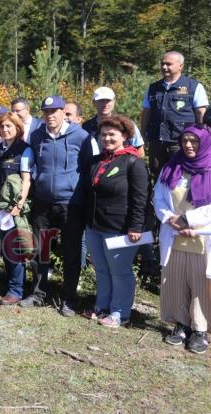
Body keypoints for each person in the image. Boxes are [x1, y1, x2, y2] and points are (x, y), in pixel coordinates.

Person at [21, 95, 94, 316]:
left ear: (64, 112)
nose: (50, 116)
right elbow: (31, 162)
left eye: (54, 111)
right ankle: (38, 293)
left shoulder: (81, 137)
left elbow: (89, 167)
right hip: (43, 202)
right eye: (46, 112)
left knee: (70, 252)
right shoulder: (36, 135)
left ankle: (69, 299)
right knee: (40, 251)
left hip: (71, 204)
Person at [82, 115, 148, 328]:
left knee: (120, 272)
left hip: (119, 228)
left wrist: (136, 226)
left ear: (125, 136)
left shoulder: (133, 162)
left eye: (112, 134)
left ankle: (120, 313)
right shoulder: (98, 161)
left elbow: (140, 199)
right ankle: (102, 307)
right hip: (94, 226)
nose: (107, 138)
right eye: (103, 134)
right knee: (101, 269)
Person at [154, 124, 211, 354]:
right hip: (174, 233)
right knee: (175, 280)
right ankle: (181, 324)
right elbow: (158, 196)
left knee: (201, 284)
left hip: (202, 236)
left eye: (194, 141)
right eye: (185, 140)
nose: (188, 145)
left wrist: (188, 220)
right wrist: (169, 218)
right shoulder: (172, 166)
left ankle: (200, 329)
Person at [141, 50, 208, 176]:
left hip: (181, 141)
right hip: (157, 141)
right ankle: (158, 196)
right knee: (157, 173)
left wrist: (201, 137)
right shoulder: (153, 88)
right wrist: (143, 134)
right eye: (162, 64)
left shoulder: (193, 86)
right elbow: (146, 112)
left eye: (168, 64)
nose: (164, 67)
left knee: (182, 175)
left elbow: (201, 113)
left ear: (180, 66)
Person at [0, 114, 34, 305]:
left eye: (9, 126)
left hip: (13, 209)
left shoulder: (24, 150)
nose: (5, 129)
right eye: (2, 126)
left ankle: (16, 290)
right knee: (6, 247)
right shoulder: (0, 148)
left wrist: (18, 205)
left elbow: (26, 180)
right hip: (0, 207)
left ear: (17, 127)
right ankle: (11, 284)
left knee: (15, 247)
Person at [83, 87, 145, 157]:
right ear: (94, 102)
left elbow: (140, 151)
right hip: (94, 166)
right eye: (101, 101)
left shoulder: (126, 124)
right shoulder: (86, 127)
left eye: (108, 100)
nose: (105, 104)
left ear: (114, 102)